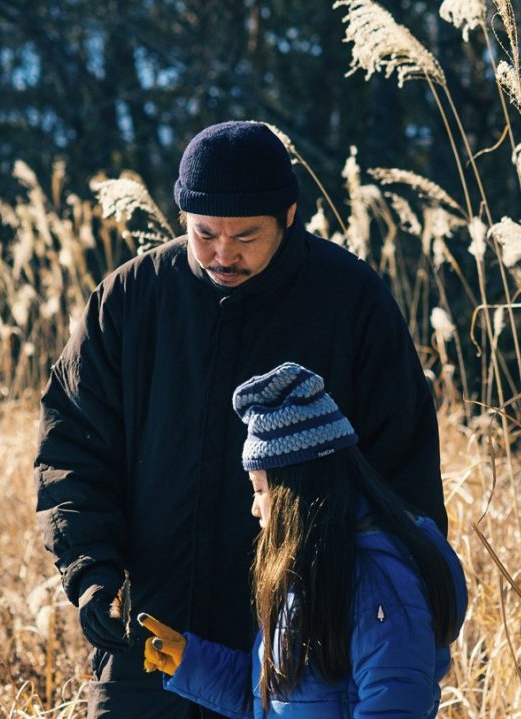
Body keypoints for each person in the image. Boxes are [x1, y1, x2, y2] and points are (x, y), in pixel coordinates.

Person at [34, 121, 447, 717]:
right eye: (204, 234)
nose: (223, 253)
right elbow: (72, 448)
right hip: (152, 644)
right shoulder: (130, 300)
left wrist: (379, 610)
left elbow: (400, 478)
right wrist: (91, 570)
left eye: (246, 236)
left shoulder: (350, 302)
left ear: (289, 214)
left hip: (300, 651)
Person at [138, 363, 467, 718]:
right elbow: (275, 702)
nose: (254, 507)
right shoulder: (313, 572)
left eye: (260, 489)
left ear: (294, 493)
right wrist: (191, 663)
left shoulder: (380, 581)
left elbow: (395, 706)